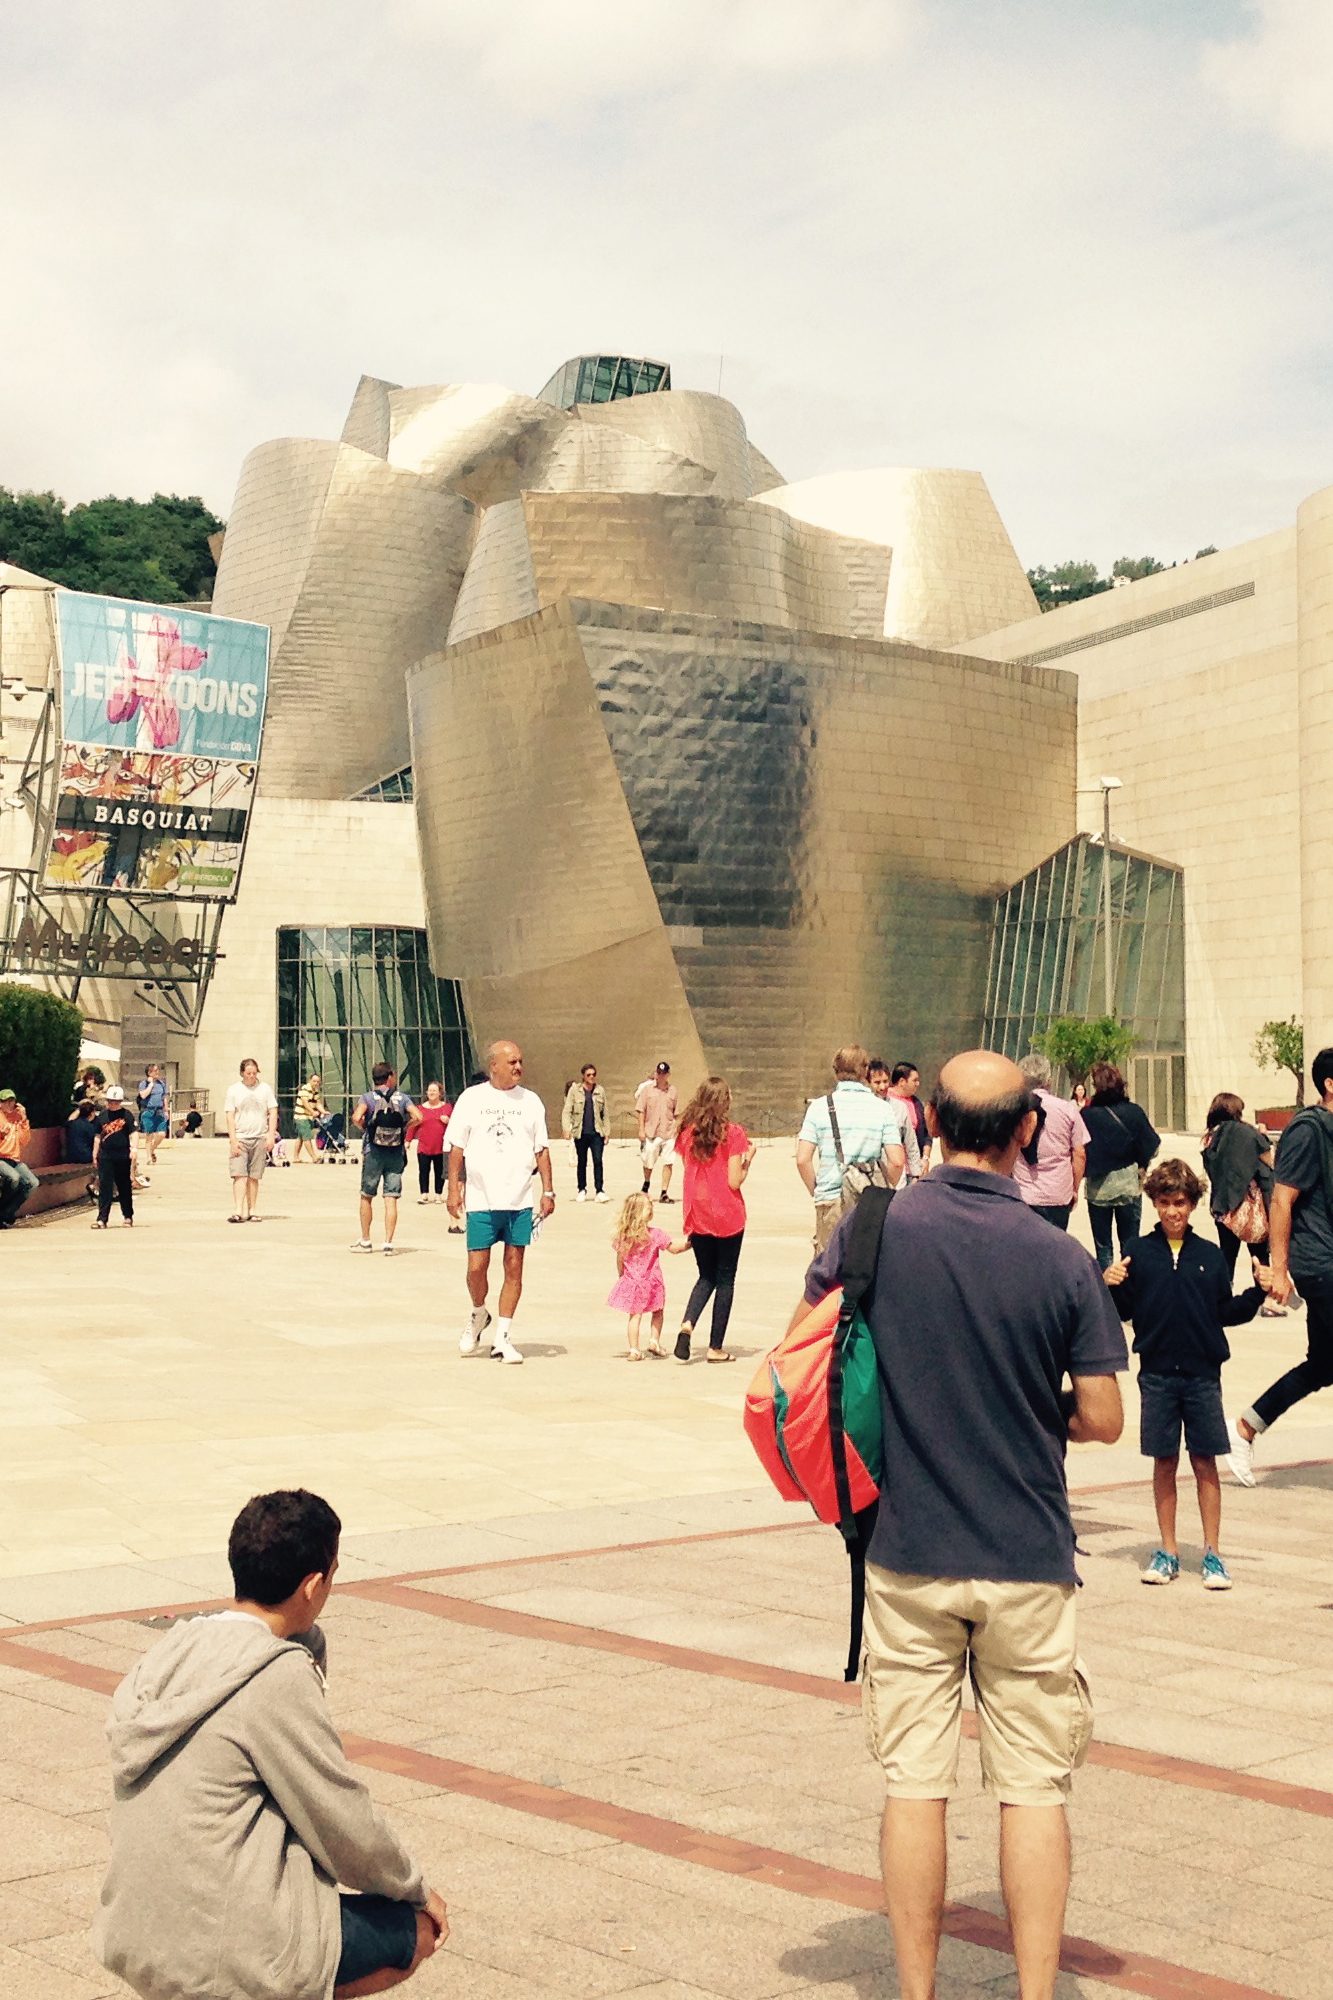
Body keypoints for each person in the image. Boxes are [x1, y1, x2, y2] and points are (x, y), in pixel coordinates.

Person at [797, 1051, 1126, 2000]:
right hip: (1027, 1556)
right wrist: (1030, 1402)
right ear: (1027, 1131)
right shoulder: (1059, 1257)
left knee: (914, 1784)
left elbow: (809, 1354)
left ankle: (915, 1991)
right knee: (1033, 1787)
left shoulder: (876, 1230)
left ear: (928, 1124)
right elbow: (1103, 1417)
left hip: (907, 1553)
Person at [94, 1488, 448, 2000]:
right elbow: (342, 1820)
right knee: (413, 1932)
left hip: (138, 1930)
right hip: (223, 1956)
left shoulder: (174, 1648)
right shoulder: (273, 1678)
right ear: (312, 1585)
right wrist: (417, 1889)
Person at [1106, 1159, 1270, 1590]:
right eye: (1164, 1203)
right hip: (1157, 1374)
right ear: (1154, 1203)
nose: (1173, 1211)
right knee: (1164, 1461)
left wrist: (1257, 1293)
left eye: (1180, 1202)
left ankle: (1212, 1552)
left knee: (1205, 1461)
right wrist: (1111, 1284)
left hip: (1201, 1375)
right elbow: (1125, 1312)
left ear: (1193, 1203)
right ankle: (1168, 1550)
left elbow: (1224, 1312)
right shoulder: (1138, 1253)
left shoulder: (1210, 1256)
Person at [1228, 1045, 1333, 1486]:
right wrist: (1281, 1269)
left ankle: (1246, 1428)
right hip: (1320, 1262)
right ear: (1330, 1084)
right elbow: (1281, 1198)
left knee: (1324, 1366)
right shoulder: (1309, 1131)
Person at [445, 1040, 554, 1365]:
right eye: (512, 1062)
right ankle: (479, 1312)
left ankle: (503, 1337)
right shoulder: (472, 1098)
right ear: (494, 1065)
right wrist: (454, 1189)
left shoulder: (531, 1101)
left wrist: (548, 1191)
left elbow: (542, 1148)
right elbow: (456, 1148)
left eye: (520, 1061)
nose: (518, 1067)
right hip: (481, 1198)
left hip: (519, 1197)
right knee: (476, 1267)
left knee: (514, 1266)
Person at [673, 1075, 755, 1363]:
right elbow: (734, 1181)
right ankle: (715, 1346)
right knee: (725, 1279)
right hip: (727, 1213)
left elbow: (689, 1166)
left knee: (705, 1275)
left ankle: (687, 1324)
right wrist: (749, 1160)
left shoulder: (687, 1133)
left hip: (698, 1211)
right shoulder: (733, 1134)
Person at [797, 1046, 907, 1255]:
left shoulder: (820, 1107)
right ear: (865, 1072)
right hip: (868, 1202)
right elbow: (897, 1161)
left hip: (830, 1199)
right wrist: (881, 1191)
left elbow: (803, 1159)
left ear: (836, 1071)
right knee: (865, 1267)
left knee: (828, 1274)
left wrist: (818, 1190)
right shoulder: (882, 1109)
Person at [1081, 1062, 1160, 1269]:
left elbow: (1080, 1151)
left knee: (1103, 1247)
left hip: (1098, 1189)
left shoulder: (1087, 1116)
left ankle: (1109, 1292)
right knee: (1130, 1243)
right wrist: (1141, 1166)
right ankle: (1130, 1289)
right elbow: (1152, 1143)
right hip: (1128, 1186)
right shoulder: (1133, 1112)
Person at [1200, 1092, 1278, 1295]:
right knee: (1260, 1254)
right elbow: (1270, 1163)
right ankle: (1266, 1298)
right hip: (1251, 1205)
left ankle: (1223, 1296)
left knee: (1227, 1254)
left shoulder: (1210, 1138)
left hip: (1222, 1206)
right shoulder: (1248, 1133)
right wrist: (1263, 1136)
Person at [1011, 1051, 1089, 1230]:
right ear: (1049, 1081)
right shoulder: (1067, 1110)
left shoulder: (1013, 1109)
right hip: (1057, 1193)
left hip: (1022, 1194)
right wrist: (1074, 1188)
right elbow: (1079, 1153)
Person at [607, 1190, 689, 1358]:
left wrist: (622, 1276)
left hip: (633, 1282)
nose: (651, 1208)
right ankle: (654, 1341)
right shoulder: (655, 1234)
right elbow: (674, 1249)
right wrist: (691, 1243)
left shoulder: (625, 1237)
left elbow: (620, 1259)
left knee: (635, 1316)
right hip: (653, 1282)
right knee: (657, 1312)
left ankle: (634, 1349)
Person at [351, 1064, 421, 1254]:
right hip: (395, 1151)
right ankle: (388, 1242)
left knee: (366, 1195)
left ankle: (366, 1240)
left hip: (372, 1150)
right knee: (391, 1197)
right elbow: (419, 1117)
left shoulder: (367, 1097)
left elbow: (356, 1117)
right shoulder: (402, 1097)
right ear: (390, 1077)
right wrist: (405, 1127)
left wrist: (367, 1128)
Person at [223, 1058, 279, 1224]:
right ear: (242, 1073)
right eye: (248, 1073)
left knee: (254, 1176)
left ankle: (252, 1209)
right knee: (239, 1175)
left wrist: (270, 1136)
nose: (252, 1076)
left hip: (259, 1137)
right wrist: (233, 1140)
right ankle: (238, 1210)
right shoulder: (234, 1090)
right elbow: (230, 1115)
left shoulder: (265, 1089)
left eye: (254, 1073)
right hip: (241, 1137)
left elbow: (273, 1112)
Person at [562, 1062, 610, 1202]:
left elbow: (605, 1114)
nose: (592, 1077)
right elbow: (567, 1110)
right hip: (581, 1132)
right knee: (582, 1162)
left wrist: (606, 1132)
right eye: (589, 1075)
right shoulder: (575, 1091)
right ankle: (581, 1189)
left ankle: (599, 1191)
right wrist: (566, 1129)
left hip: (596, 1132)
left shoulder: (600, 1091)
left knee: (598, 1161)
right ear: (583, 1076)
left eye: (594, 1074)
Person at [92, 1084, 137, 1228]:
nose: (112, 1104)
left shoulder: (127, 1115)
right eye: (110, 1101)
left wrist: (134, 1148)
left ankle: (128, 1216)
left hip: (122, 1155)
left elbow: (133, 1132)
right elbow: (98, 1136)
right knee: (105, 1187)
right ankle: (102, 1219)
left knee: (124, 1186)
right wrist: (95, 1153)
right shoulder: (103, 1116)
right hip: (106, 1156)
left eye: (116, 1102)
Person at [867, 1059, 922, 1180]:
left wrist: (916, 1175)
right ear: (868, 1083)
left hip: (897, 1178)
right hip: (870, 1177)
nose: (882, 1087)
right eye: (877, 1082)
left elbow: (911, 1143)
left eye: (885, 1081)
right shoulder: (863, 1108)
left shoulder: (900, 1107)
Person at [636, 1061, 679, 1202]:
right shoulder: (647, 1090)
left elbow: (676, 1112)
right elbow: (641, 1110)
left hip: (668, 1132)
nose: (661, 1076)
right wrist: (641, 1129)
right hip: (651, 1132)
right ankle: (646, 1184)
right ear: (656, 1073)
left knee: (668, 1161)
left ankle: (664, 1192)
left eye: (664, 1073)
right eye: (659, 1073)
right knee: (648, 1160)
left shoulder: (673, 1091)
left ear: (668, 1074)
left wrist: (678, 1130)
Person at [0, 1089, 38, 1229]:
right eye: (5, 1101)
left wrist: (23, 1119)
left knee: (32, 1183)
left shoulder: (18, 1118)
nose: (9, 1104)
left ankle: (6, 1212)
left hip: (14, 1159)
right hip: (1, 1158)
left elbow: (24, 1140)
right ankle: (3, 1212)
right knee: (14, 1178)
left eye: (11, 1101)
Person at [890, 1061, 932, 1178]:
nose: (918, 1084)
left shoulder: (917, 1104)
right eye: (915, 1080)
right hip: (891, 1168)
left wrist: (925, 1158)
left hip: (912, 1169)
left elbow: (926, 1134)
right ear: (902, 1082)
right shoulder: (885, 1102)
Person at [413, 1080, 452, 1204]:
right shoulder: (420, 1109)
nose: (432, 1093)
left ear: (440, 1093)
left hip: (440, 1146)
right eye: (430, 1090)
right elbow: (414, 1125)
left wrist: (448, 1120)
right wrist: (407, 1140)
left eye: (434, 1090)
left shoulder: (447, 1107)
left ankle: (438, 1194)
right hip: (424, 1146)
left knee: (439, 1171)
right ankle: (424, 1194)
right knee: (423, 1170)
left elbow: (456, 1124)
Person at [136, 1064, 169, 1166]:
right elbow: (143, 1095)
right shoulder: (143, 1084)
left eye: (158, 1070)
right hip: (148, 1111)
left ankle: (152, 1150)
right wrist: (150, 1085)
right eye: (155, 1071)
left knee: (162, 1134)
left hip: (159, 1111)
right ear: (149, 1073)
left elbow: (164, 1097)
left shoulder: (161, 1084)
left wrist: (166, 1110)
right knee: (149, 1136)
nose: (158, 1072)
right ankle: (149, 1158)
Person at [292, 1073, 326, 1164]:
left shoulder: (315, 1091)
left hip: (308, 1117)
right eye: (314, 1081)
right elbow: (305, 1103)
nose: (316, 1083)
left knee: (301, 1137)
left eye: (318, 1082)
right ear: (309, 1081)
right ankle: (314, 1157)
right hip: (301, 1116)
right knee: (307, 1137)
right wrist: (312, 1112)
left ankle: (296, 1157)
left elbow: (318, 1103)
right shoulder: (305, 1089)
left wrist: (323, 1111)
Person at [66, 1098, 99, 1167]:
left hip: (71, 1157)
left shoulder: (72, 1124)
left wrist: (80, 1108)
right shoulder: (90, 1127)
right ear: (92, 1113)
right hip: (85, 1158)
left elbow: (70, 1119)